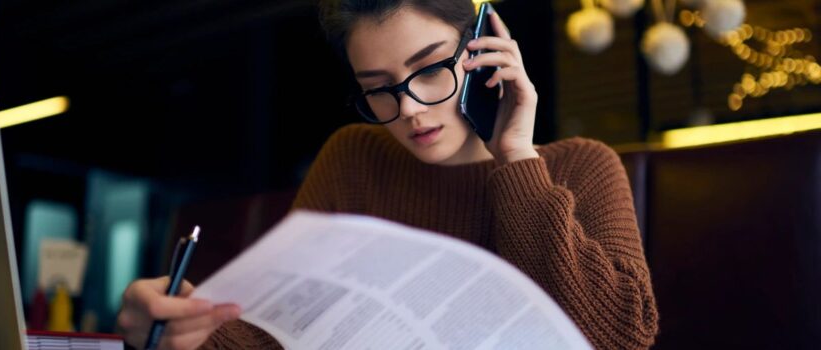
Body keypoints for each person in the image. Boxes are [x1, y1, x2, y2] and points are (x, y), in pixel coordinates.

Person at [116, 0, 659, 349]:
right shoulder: (354, 156)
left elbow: (620, 337)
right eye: (379, 87)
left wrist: (515, 156)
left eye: (428, 69)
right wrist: (183, 334)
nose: (410, 109)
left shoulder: (581, 166)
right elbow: (276, 333)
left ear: (485, 49)